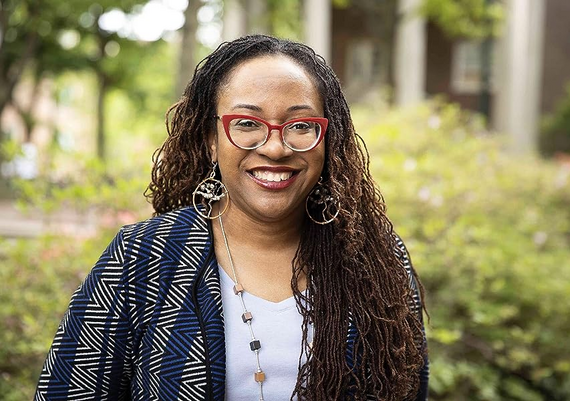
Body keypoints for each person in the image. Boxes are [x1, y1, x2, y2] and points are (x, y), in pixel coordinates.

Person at [35, 34, 428, 400]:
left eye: (301, 125)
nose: (275, 148)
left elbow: (410, 388)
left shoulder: (377, 259)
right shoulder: (143, 256)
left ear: (328, 140)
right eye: (247, 123)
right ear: (212, 140)